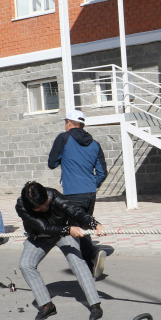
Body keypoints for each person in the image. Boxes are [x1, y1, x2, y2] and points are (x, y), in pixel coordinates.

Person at [16, 181, 104, 320]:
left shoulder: (54, 195)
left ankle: (95, 305)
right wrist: (68, 229)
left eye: (45, 204)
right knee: (26, 264)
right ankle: (47, 306)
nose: (44, 208)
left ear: (47, 196)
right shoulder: (21, 206)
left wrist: (94, 224)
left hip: (64, 233)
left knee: (77, 262)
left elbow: (74, 210)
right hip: (41, 235)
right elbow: (43, 227)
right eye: (39, 208)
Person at [47, 109, 108, 279]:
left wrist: (63, 159)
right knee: (85, 226)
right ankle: (90, 266)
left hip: (73, 194)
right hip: (90, 193)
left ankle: (93, 255)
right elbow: (102, 172)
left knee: (75, 230)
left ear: (69, 123)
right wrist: (91, 184)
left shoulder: (63, 138)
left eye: (65, 122)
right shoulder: (95, 144)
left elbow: (52, 163)